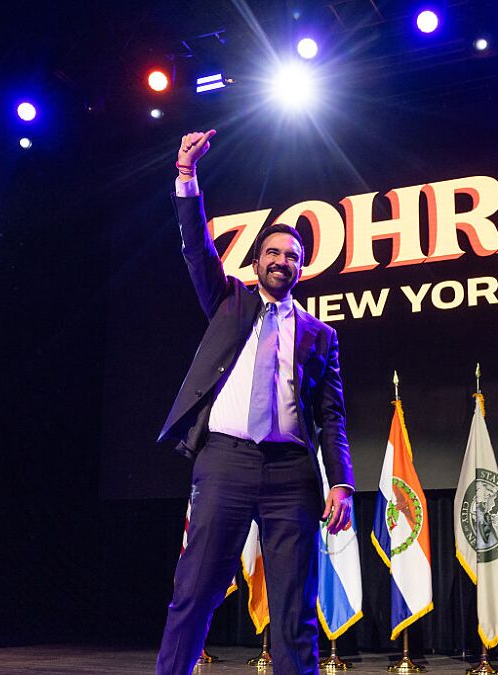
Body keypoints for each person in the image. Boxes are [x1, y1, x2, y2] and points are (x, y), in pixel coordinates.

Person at [154, 129, 355, 675]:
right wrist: (187, 177)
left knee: (294, 611)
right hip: (225, 462)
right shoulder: (229, 302)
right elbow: (196, 246)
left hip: (292, 472)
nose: (281, 261)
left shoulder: (319, 335)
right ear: (258, 259)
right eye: (272, 252)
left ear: (301, 267)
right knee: (195, 592)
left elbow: (330, 416)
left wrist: (340, 481)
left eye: (292, 256)